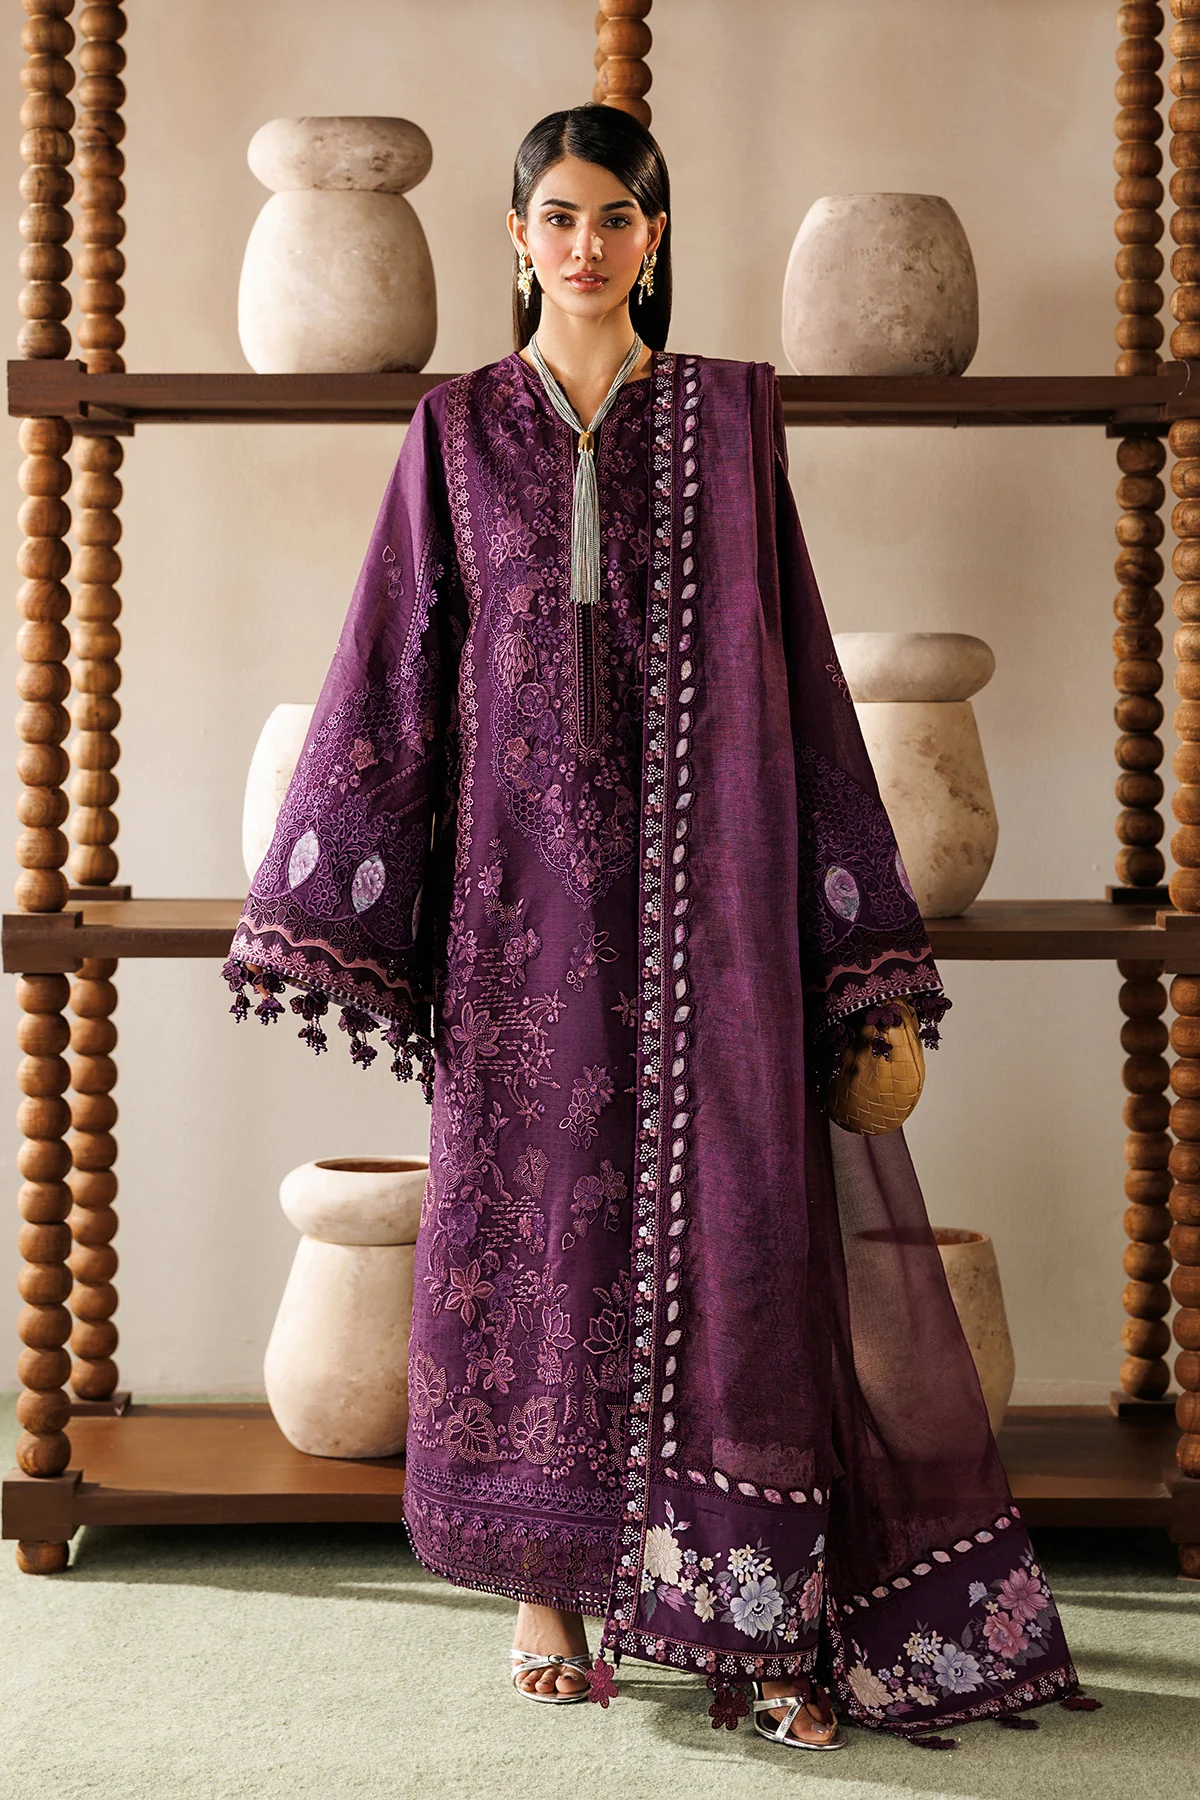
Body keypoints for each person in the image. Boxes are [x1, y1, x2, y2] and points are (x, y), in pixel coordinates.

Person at [224, 104, 1091, 1753]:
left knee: (740, 1231)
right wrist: (330, 892)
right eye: (558, 216)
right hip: (518, 920)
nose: (587, 245)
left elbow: (802, 671)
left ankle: (759, 1611)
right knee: (535, 1238)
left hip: (717, 915)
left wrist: (853, 937)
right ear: (515, 234)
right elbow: (396, 660)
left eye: (616, 216)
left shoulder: (727, 423)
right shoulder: (456, 429)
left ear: (655, 235)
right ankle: (547, 1595)